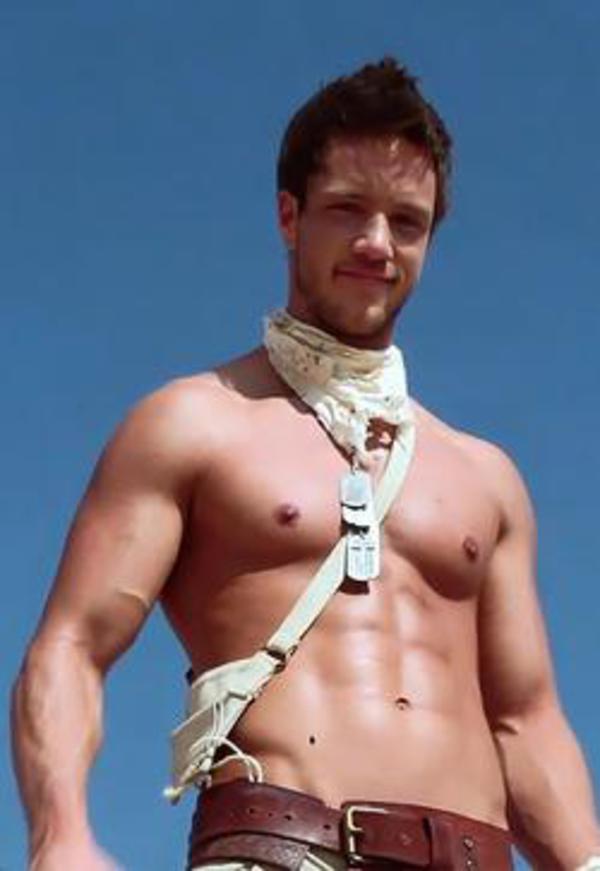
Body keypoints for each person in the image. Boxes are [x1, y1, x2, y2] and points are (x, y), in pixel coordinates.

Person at [11, 57, 600, 871]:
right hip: (283, 848)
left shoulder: (486, 479)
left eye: (406, 221)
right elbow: (71, 645)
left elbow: (526, 721)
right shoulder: (191, 424)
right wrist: (61, 834)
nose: (376, 243)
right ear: (289, 216)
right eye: (348, 209)